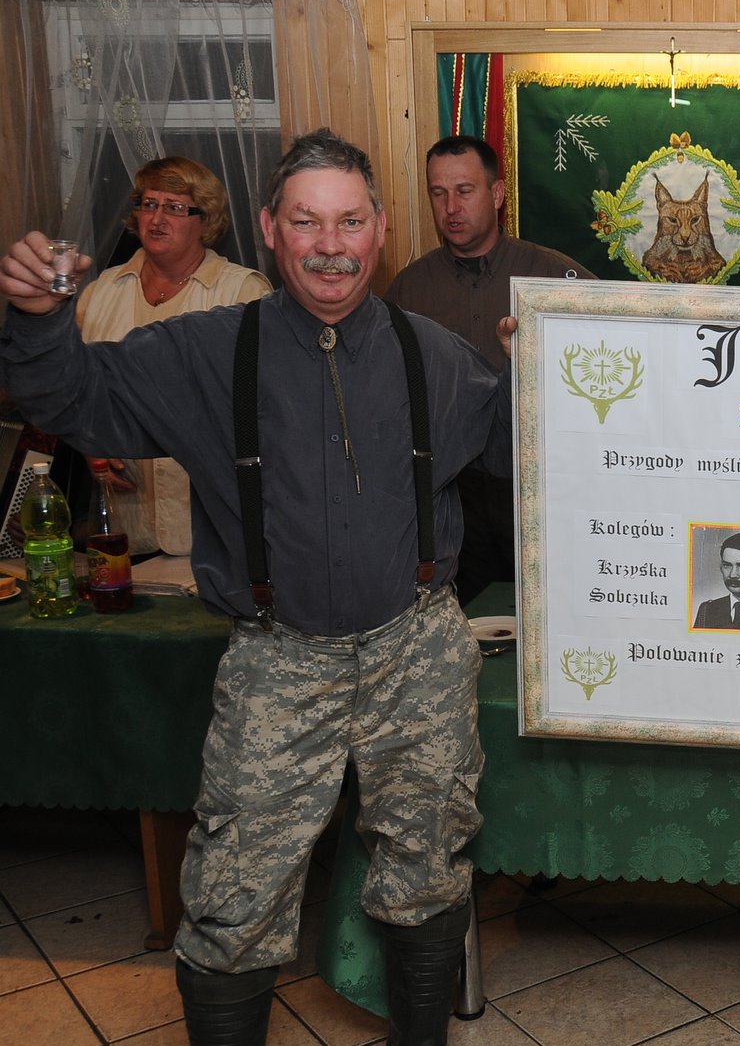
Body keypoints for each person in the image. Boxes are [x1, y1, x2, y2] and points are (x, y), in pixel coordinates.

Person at [0, 127, 514, 1046]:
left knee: (429, 866)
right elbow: (73, 398)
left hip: (417, 649)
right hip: (279, 658)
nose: (331, 245)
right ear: (272, 229)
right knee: (234, 891)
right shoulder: (207, 350)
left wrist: (544, 364)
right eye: (307, 221)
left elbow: (525, 448)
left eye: (349, 222)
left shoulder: (433, 353)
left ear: (380, 228)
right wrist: (38, 317)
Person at [385, 134, 594, 603]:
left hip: (539, 491)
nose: (451, 207)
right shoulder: (409, 290)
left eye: (464, 191)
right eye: (438, 193)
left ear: (497, 194)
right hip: (450, 497)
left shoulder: (552, 277)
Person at [78, 155, 271, 557]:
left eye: (175, 208)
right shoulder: (101, 292)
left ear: (206, 219)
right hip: (126, 531)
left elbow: (265, 410)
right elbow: (80, 392)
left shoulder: (242, 294)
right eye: (149, 204)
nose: (157, 218)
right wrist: (90, 442)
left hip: (214, 529)